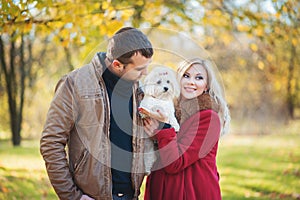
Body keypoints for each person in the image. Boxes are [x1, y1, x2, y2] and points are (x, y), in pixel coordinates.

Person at [40, 27, 153, 200]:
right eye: (139, 69)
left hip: (132, 195)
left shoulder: (140, 88)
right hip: (89, 196)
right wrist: (73, 196)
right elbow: (51, 142)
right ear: (117, 64)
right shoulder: (74, 83)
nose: (145, 73)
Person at [143, 57, 230, 200]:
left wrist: (164, 128)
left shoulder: (208, 118)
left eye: (199, 78)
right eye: (186, 76)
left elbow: (175, 163)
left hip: (192, 193)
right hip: (161, 192)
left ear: (206, 85)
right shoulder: (168, 111)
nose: (191, 82)